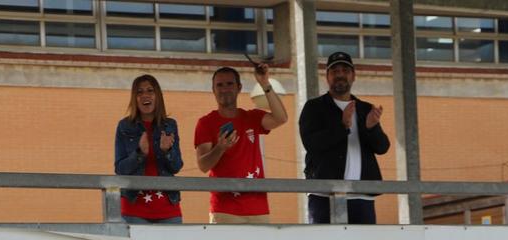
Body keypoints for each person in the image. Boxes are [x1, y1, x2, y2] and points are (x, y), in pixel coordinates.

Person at [298, 51, 391, 225]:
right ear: (327, 77)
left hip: (362, 195)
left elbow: (382, 147)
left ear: (353, 76)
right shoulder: (314, 107)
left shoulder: (365, 108)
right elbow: (311, 143)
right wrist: (342, 126)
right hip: (324, 194)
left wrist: (371, 128)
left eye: (345, 71)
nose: (340, 75)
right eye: (335, 71)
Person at [194, 64, 288, 224]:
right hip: (224, 209)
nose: (225, 89)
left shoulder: (252, 117)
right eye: (219, 85)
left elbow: (281, 118)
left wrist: (264, 83)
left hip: (258, 208)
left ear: (239, 88)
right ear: (213, 90)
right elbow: (203, 165)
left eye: (229, 84)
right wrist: (220, 148)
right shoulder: (206, 123)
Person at [114, 74, 184, 224]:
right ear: (134, 98)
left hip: (168, 208)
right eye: (139, 92)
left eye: (150, 90)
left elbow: (176, 166)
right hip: (133, 208)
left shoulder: (170, 125)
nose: (145, 95)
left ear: (157, 95)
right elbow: (120, 169)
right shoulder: (124, 126)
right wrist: (139, 153)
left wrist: (167, 151)